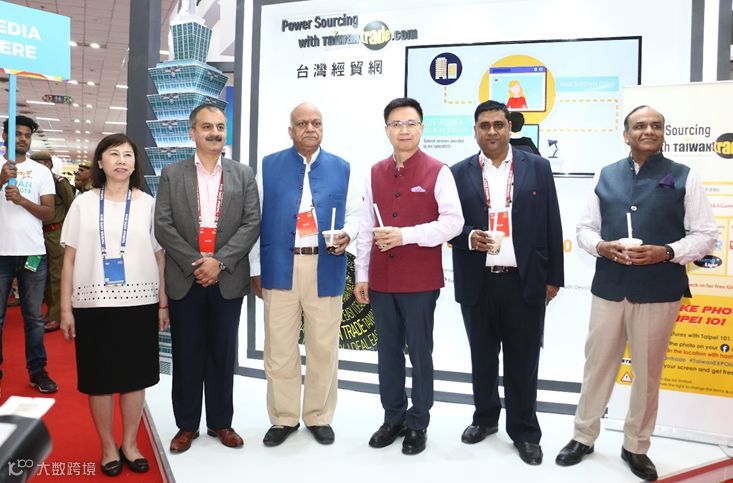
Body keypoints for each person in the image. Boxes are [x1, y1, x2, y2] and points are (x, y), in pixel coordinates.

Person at [556, 105, 716, 481]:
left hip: (659, 291)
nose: (649, 130)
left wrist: (668, 252)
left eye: (656, 125)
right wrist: (601, 246)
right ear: (626, 135)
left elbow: (705, 234)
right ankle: (583, 436)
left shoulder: (684, 176)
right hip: (609, 288)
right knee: (597, 367)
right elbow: (584, 228)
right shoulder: (606, 174)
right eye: (640, 125)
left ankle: (636, 445)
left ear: (663, 133)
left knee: (647, 373)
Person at [450, 100, 564, 466]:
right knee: (482, 357)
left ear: (509, 127)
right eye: (484, 125)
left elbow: (552, 222)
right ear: (475, 131)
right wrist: (470, 236)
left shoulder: (537, 167)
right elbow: (448, 225)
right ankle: (485, 418)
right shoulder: (457, 173)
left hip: (524, 280)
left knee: (523, 360)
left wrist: (554, 278)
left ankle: (525, 431)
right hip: (478, 281)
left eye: (498, 124)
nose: (492, 131)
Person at [354, 97, 463, 456]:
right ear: (387, 129)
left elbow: (454, 223)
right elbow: (365, 227)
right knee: (387, 352)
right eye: (396, 124)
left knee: (420, 351)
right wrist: (362, 274)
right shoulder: (374, 172)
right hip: (382, 279)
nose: (404, 130)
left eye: (411, 123)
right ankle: (393, 417)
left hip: (420, 280)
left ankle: (418, 422)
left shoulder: (438, 171)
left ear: (421, 128)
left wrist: (406, 235)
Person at [250, 102, 359, 447]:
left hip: (325, 264)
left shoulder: (342, 168)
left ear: (322, 128)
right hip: (279, 265)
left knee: (323, 346)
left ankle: (318, 415)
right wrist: (255, 268)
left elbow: (356, 214)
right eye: (302, 123)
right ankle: (283, 417)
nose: (310, 128)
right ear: (290, 130)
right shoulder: (269, 166)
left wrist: (348, 234)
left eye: (316, 122)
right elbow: (255, 221)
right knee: (279, 347)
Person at [59, 133, 168, 477]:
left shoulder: (147, 204)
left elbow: (160, 257)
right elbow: (69, 259)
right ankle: (108, 445)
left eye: (128, 155)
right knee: (100, 379)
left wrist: (163, 303)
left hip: (140, 303)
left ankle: (130, 443)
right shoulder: (83, 204)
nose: (121, 161)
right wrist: (65, 309)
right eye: (114, 154)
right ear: (101, 162)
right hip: (93, 306)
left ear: (135, 163)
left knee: (135, 377)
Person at [155, 104, 260, 453]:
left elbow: (251, 223)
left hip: (227, 278)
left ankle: (220, 422)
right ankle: (186, 426)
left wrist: (220, 262)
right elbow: (163, 225)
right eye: (206, 127)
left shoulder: (243, 174)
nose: (215, 133)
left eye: (219, 126)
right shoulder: (173, 174)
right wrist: (196, 263)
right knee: (187, 353)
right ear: (192, 132)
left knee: (222, 352)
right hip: (186, 277)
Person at [0, 115, 58, 394]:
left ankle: (37, 371)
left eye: (27, 135)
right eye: (17, 134)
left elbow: (49, 213)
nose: (22, 139)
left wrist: (22, 200)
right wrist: (1, 179)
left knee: (34, 317)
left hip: (33, 254)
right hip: (0, 254)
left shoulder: (40, 172)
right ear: (4, 136)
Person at [31, 150, 74, 333]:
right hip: (36, 234)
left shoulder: (59, 182)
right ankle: (49, 310)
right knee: (41, 273)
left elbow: (72, 206)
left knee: (57, 275)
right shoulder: (33, 182)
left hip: (56, 234)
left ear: (49, 164)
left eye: (42, 163)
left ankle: (56, 315)